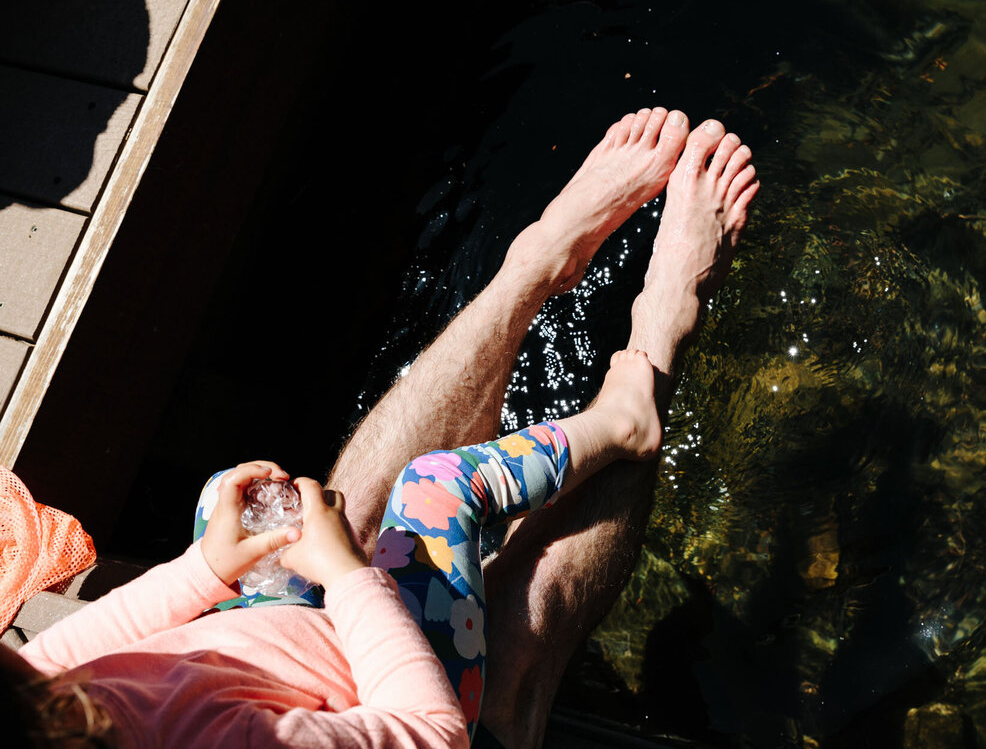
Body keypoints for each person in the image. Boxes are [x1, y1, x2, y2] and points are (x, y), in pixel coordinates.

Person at [2, 108, 759, 747]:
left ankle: (538, 262)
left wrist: (207, 565)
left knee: (255, 506)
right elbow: (431, 734)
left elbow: (65, 656)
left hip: (275, 645)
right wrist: (346, 575)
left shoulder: (37, 698)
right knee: (455, 524)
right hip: (409, 692)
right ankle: (645, 369)